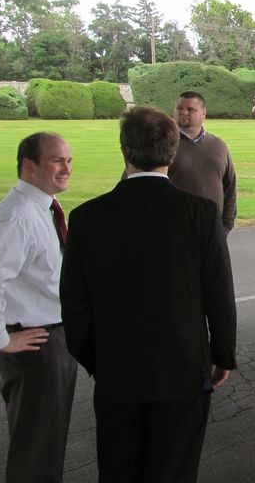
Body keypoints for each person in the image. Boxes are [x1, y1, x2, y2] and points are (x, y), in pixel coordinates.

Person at [60, 106, 237, 482]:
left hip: (116, 372)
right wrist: (222, 354)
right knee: (174, 469)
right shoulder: (200, 213)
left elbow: (74, 304)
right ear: (172, 154)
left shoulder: (87, 217)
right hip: (182, 370)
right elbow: (219, 293)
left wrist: (97, 361)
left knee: (118, 469)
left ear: (124, 151)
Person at [0, 132, 78, 483]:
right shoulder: (17, 218)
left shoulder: (41, 209)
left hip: (53, 340)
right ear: (28, 166)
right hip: (36, 346)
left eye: (69, 160)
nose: (67, 169)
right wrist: (2, 339)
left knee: (45, 445)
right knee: (36, 451)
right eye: (57, 161)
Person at [170, 91, 237, 234]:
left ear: (203, 113)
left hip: (213, 229)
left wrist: (226, 226)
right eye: (179, 108)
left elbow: (230, 187)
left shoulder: (218, 145)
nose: (184, 113)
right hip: (175, 229)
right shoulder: (162, 144)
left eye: (190, 109)